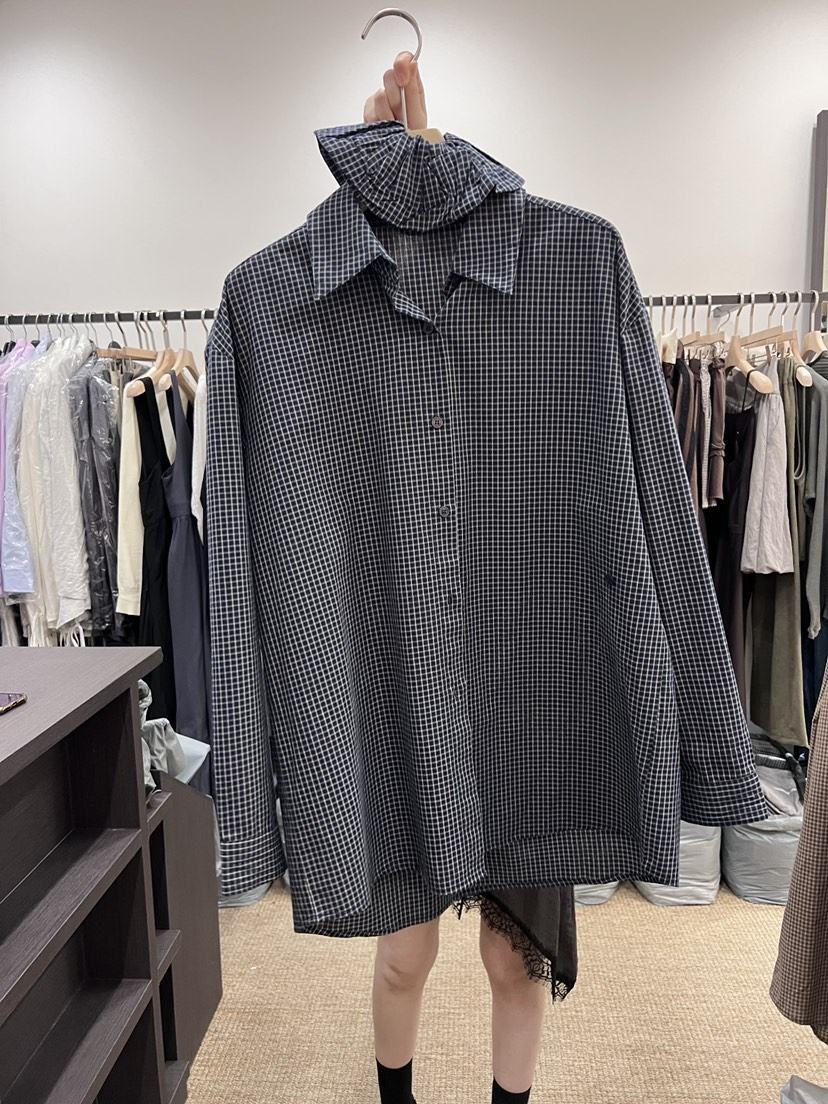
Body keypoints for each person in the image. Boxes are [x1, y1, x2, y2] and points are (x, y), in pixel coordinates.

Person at [362, 53, 557, 1104]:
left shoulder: (554, 286)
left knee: (514, 957)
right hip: (403, 675)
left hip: (525, 679)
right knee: (404, 952)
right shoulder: (338, 312)